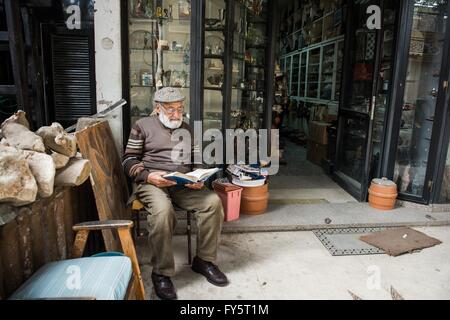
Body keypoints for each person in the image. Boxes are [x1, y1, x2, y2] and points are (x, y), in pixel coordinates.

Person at [122, 87, 229, 300]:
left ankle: (204, 261)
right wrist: (147, 176)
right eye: (170, 110)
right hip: (152, 182)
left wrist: (199, 177)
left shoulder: (188, 130)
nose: (176, 114)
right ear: (157, 108)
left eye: (179, 109)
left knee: (213, 202)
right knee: (162, 211)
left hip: (182, 183)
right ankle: (161, 272)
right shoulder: (141, 126)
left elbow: (197, 161)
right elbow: (128, 160)